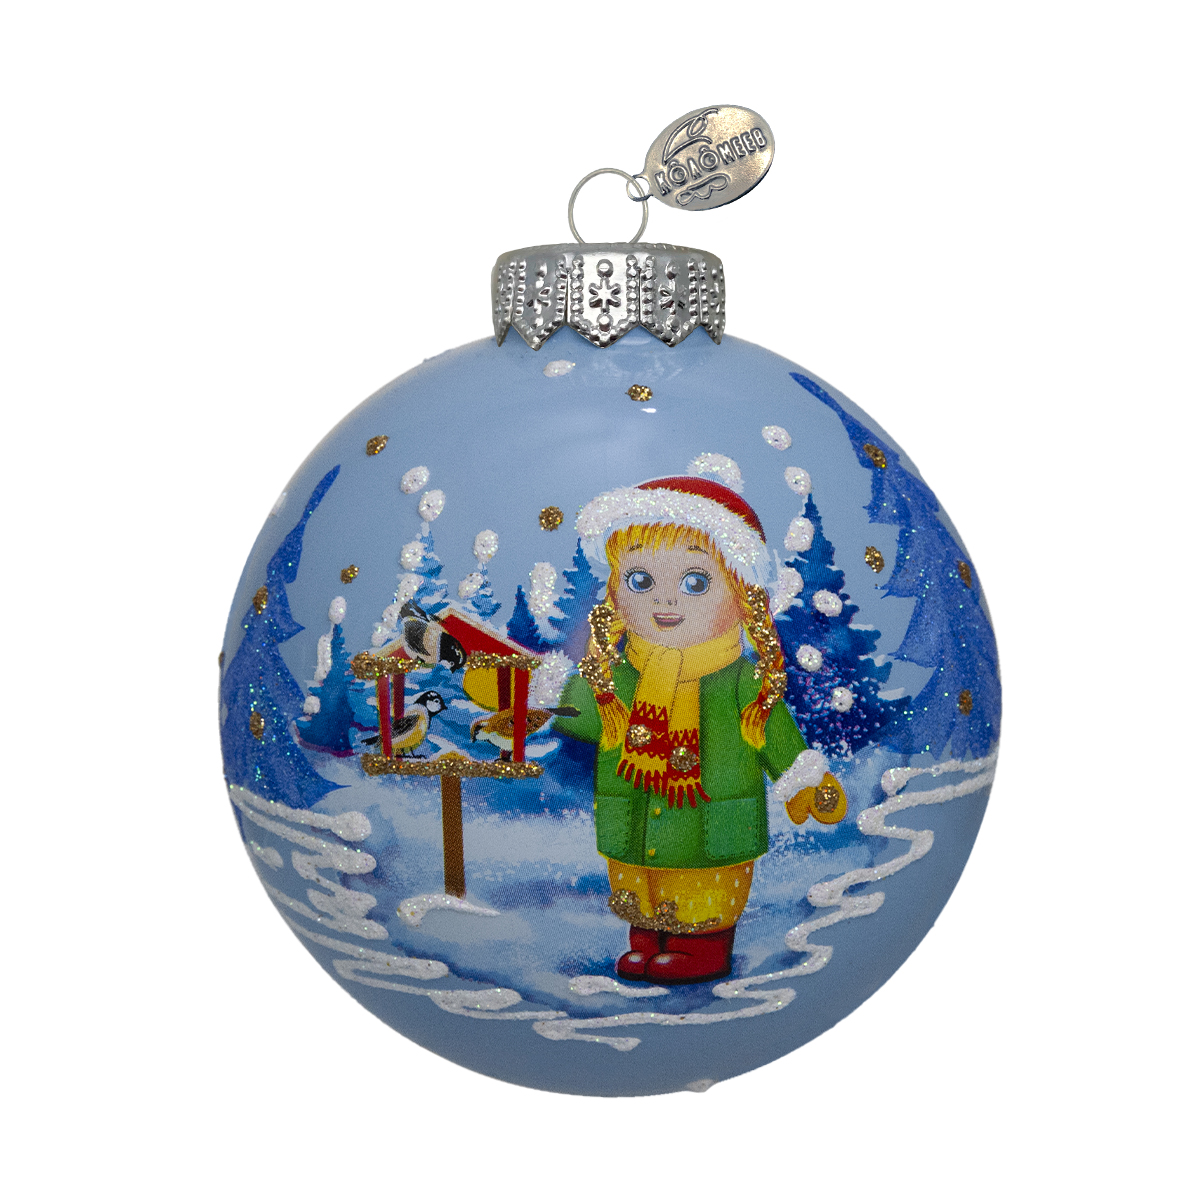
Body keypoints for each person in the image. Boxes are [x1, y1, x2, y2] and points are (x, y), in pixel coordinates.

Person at [554, 474, 847, 985]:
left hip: (714, 827)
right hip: (633, 821)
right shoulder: (616, 678)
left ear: (740, 596)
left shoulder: (741, 681)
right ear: (616, 594)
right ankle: (646, 941)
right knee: (640, 888)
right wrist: (525, 691)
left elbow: (775, 734)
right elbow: (573, 710)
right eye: (640, 581)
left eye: (695, 583)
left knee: (702, 895)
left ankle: (704, 948)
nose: (664, 602)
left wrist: (806, 780)